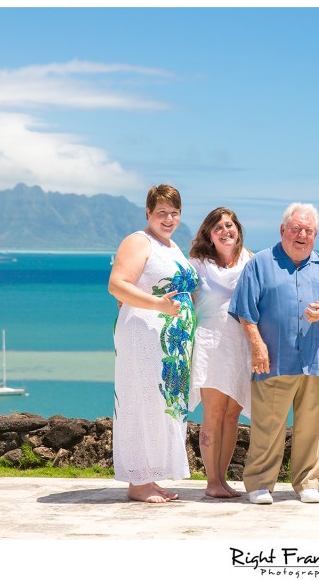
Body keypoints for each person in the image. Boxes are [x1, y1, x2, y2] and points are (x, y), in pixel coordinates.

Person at [229, 203, 319, 505]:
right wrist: (257, 346)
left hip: (314, 361)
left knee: (313, 428)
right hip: (274, 360)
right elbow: (245, 310)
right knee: (267, 427)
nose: (302, 235)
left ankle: (308, 482)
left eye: (309, 231)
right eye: (297, 228)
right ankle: (259, 483)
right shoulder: (259, 263)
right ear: (283, 230)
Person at [108, 184, 198, 503]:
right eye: (162, 212)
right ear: (148, 212)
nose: (169, 218)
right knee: (141, 403)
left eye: (174, 213)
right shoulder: (138, 241)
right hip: (143, 336)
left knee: (160, 406)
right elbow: (117, 285)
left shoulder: (172, 247)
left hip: (169, 345)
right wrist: (158, 305)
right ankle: (137, 481)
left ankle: (150, 475)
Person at [188, 207, 253, 499]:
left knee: (233, 413)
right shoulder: (197, 264)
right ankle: (212, 480)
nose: (226, 231)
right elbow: (172, 288)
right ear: (209, 235)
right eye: (218, 228)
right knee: (213, 413)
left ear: (237, 228)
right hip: (210, 343)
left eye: (230, 225)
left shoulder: (251, 260)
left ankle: (223, 478)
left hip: (241, 344)